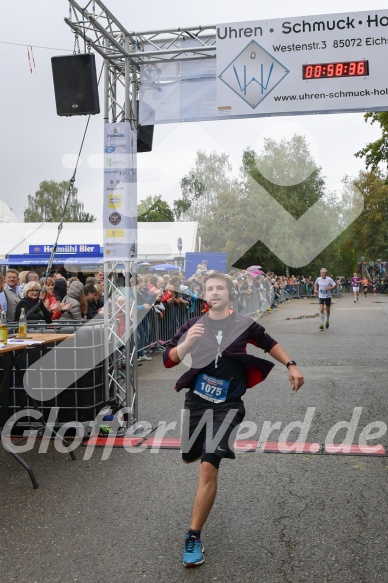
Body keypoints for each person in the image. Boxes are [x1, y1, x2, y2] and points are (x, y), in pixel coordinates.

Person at [163, 272, 304, 568]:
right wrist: (186, 344)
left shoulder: (243, 324)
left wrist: (291, 365)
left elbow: (269, 343)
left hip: (228, 405)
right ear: (204, 295)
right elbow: (169, 359)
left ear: (229, 294)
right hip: (197, 402)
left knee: (207, 467)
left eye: (220, 288)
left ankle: (193, 536)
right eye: (210, 289)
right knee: (191, 455)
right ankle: (198, 458)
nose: (215, 292)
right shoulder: (193, 325)